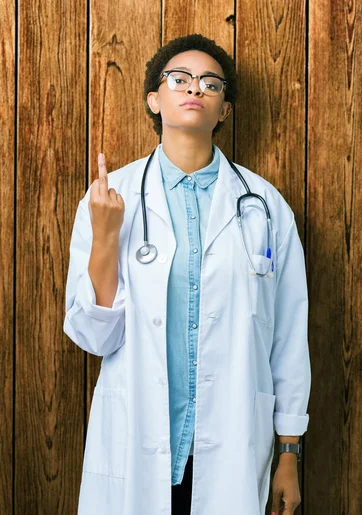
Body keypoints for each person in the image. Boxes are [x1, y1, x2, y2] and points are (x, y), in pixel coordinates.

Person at [63, 33, 311, 515]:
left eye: (210, 84)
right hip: (139, 441)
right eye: (180, 79)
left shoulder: (265, 207)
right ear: (154, 100)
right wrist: (107, 235)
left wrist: (289, 453)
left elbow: (288, 336)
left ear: (224, 110)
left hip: (232, 441)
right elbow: (93, 336)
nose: (195, 89)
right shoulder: (109, 198)